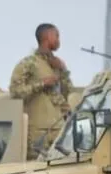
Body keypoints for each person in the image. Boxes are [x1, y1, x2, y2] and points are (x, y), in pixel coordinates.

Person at [9, 23, 73, 160]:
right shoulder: (29, 63)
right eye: (56, 36)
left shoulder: (56, 64)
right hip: (38, 133)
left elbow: (67, 93)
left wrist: (63, 71)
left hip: (58, 129)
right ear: (47, 37)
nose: (59, 40)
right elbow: (15, 92)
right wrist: (42, 84)